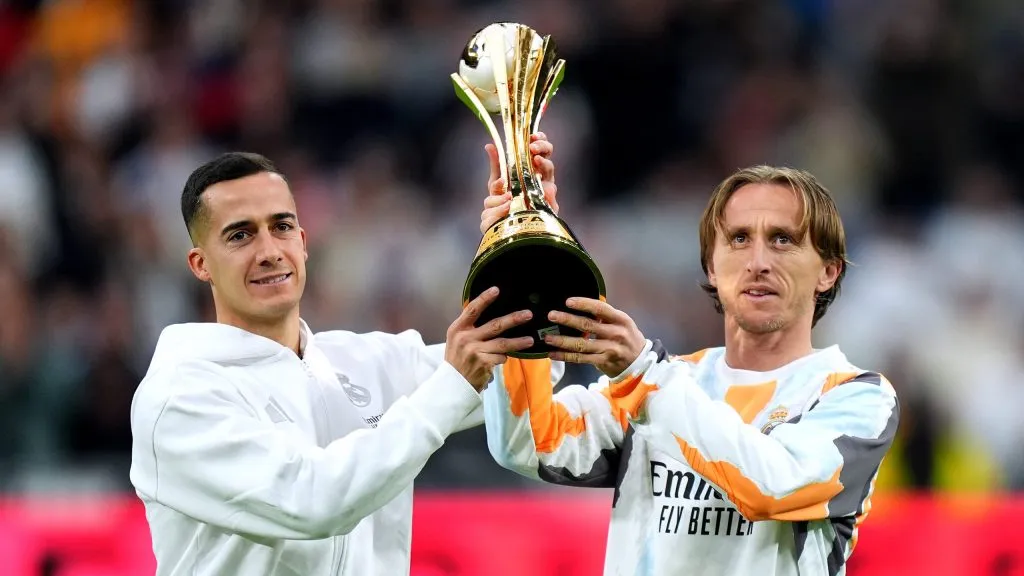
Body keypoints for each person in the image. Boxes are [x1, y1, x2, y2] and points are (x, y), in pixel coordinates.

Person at [129, 139, 559, 576]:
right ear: (200, 264)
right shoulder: (178, 398)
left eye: (281, 227)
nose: (269, 251)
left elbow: (524, 353)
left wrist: (531, 240)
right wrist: (451, 385)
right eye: (241, 235)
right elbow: (311, 502)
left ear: (303, 240)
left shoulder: (365, 361)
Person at [479, 162, 900, 575]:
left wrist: (645, 374)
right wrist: (524, 257)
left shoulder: (857, 397)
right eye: (738, 238)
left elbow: (772, 487)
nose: (758, 261)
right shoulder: (661, 382)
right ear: (712, 269)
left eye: (782, 239)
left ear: (828, 272)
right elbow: (530, 443)